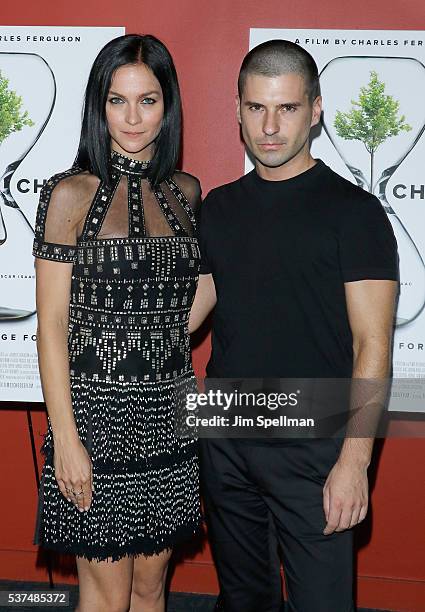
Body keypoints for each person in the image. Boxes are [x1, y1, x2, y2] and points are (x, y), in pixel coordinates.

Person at [190, 40, 398, 611]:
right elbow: (188, 315)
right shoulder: (219, 207)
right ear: (237, 110)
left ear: (316, 109)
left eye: (286, 108)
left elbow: (373, 343)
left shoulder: (355, 212)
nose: (271, 126)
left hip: (315, 439)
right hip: (226, 433)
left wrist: (355, 462)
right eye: (257, 108)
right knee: (243, 601)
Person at [33, 34, 201, 612]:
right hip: (96, 419)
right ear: (97, 106)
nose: (133, 117)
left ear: (168, 105)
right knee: (105, 595)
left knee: (152, 588)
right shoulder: (68, 196)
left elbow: (192, 294)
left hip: (170, 415)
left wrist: (166, 336)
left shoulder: (186, 193)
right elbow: (51, 327)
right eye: (118, 100)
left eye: (148, 100)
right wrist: (68, 444)